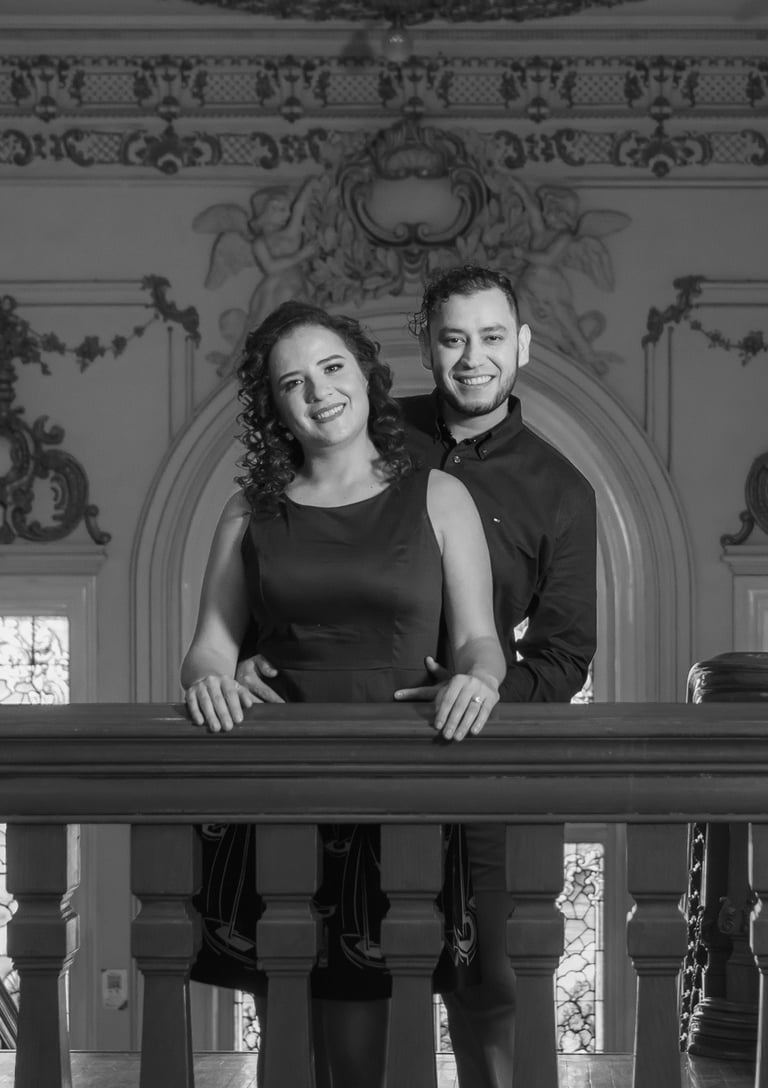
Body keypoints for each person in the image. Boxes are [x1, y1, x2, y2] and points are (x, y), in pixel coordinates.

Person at [238, 265, 597, 1087]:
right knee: (331, 987)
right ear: (425, 346)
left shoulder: (563, 491)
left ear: (523, 345)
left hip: (480, 762)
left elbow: (566, 654)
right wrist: (252, 652)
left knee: (490, 986)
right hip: (343, 760)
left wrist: (477, 691)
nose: (473, 358)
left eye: (492, 337)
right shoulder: (359, 424)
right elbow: (282, 558)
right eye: (453, 339)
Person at [181, 298, 507, 1088]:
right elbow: (208, 648)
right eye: (293, 382)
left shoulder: (438, 496)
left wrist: (480, 678)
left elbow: (479, 640)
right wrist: (213, 679)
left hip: (401, 783)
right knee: (287, 1037)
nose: (319, 391)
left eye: (332, 368)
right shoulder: (246, 512)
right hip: (277, 784)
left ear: (365, 376)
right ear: (275, 407)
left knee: (368, 1043)